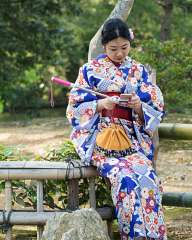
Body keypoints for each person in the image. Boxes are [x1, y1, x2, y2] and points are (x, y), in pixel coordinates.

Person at [66, 18, 167, 240]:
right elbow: (74, 109)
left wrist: (139, 106)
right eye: (113, 49)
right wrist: (100, 104)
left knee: (148, 177)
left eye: (124, 48)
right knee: (126, 180)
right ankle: (134, 236)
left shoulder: (139, 70)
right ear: (104, 46)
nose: (120, 53)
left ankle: (154, 236)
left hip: (132, 141)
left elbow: (156, 106)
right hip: (103, 142)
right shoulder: (89, 70)